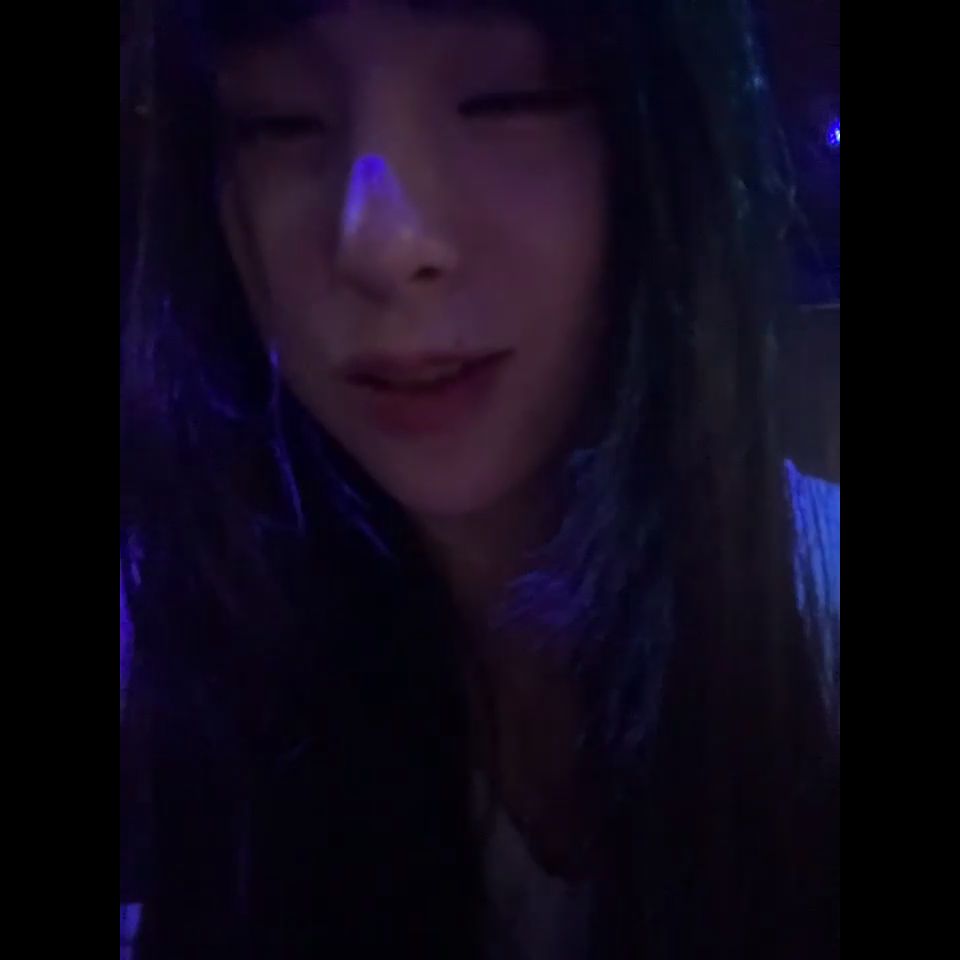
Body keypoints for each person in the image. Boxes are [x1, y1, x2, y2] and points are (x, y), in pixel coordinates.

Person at [119, 1, 840, 957]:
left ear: (667, 146)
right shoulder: (199, 646)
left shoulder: (819, 636)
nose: (379, 244)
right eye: (278, 121)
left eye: (508, 99)